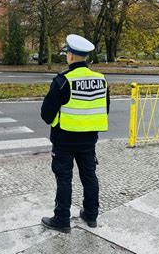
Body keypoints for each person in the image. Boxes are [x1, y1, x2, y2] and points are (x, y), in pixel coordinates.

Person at [40, 34, 110, 233]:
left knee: (64, 179)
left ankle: (62, 219)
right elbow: (104, 109)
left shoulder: (63, 81)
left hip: (64, 140)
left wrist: (58, 122)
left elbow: (46, 113)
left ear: (70, 56)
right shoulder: (101, 80)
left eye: (67, 53)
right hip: (89, 140)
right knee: (89, 176)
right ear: (85, 57)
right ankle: (91, 215)